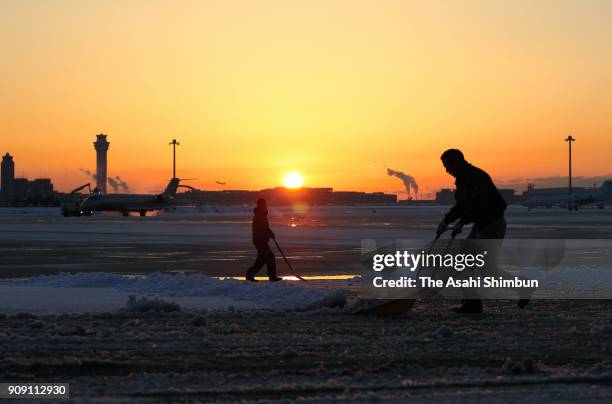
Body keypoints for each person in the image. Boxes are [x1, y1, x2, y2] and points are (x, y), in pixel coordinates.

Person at [436, 149, 529, 313]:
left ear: (457, 163)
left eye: (447, 166)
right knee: (464, 263)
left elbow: (480, 205)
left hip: (492, 225)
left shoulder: (477, 177)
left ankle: (521, 288)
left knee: (487, 269)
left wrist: (461, 223)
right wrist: (446, 221)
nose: (446, 170)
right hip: (480, 225)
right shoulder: (462, 179)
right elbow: (461, 206)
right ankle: (472, 302)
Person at [246, 198, 282, 282]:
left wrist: (270, 233)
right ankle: (272, 276)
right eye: (265, 204)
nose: (266, 205)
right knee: (270, 257)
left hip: (261, 241)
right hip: (260, 241)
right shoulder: (259, 215)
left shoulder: (261, 214)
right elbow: (262, 228)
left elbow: (265, 228)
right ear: (261, 205)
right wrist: (270, 234)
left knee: (262, 259)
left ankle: (250, 274)